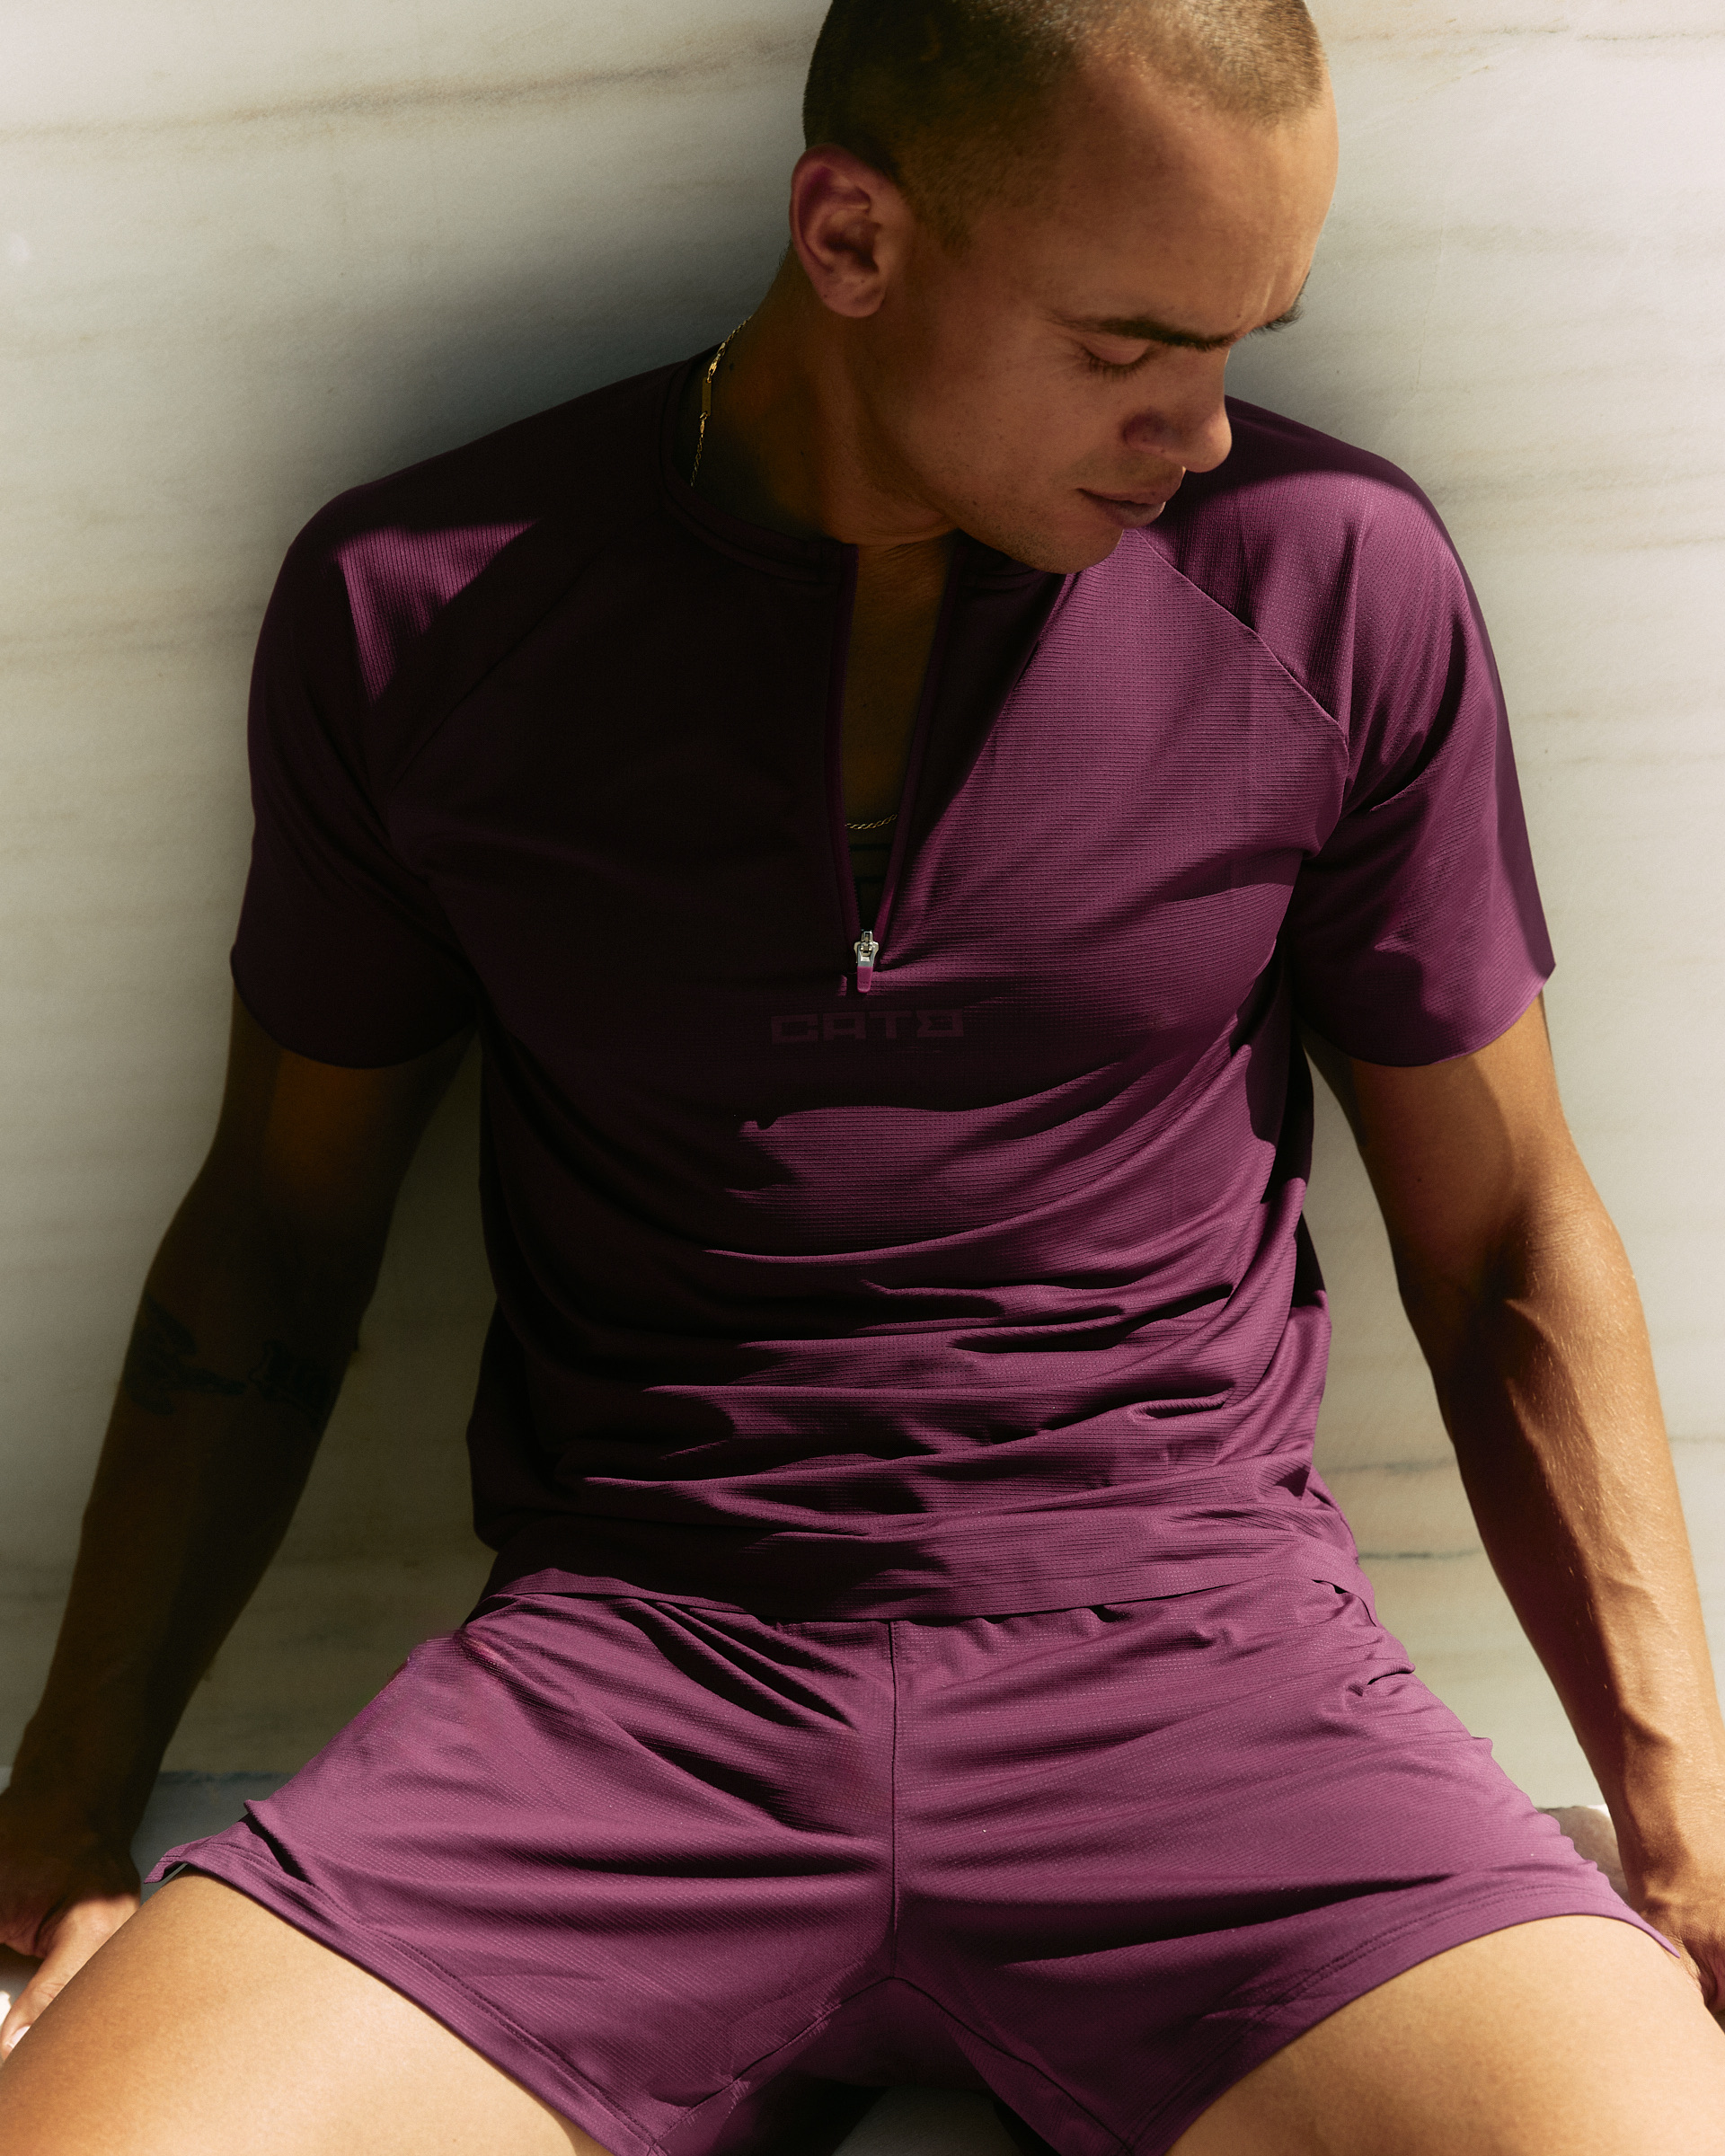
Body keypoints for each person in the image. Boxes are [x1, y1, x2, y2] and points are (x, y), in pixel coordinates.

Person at [2, 0, 1722, 2148]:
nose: (1201, 432)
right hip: (629, 1697)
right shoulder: (420, 611)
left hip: (1206, 1685)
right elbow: (276, 1232)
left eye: (1238, 340)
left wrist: (1686, 1818)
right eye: (1125, 349)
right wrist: (65, 1802)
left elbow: (1508, 1234)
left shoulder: (1329, 576)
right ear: (851, 239)